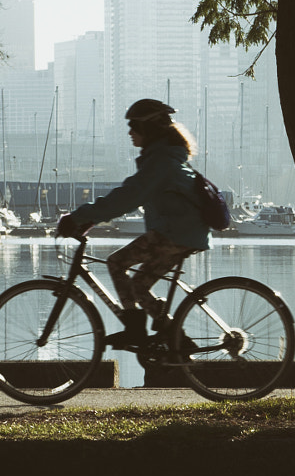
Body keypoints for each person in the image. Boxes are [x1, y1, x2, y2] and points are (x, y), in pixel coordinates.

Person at [56, 98, 211, 350]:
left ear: (149, 129)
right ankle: (176, 337)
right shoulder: (164, 158)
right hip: (184, 233)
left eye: (134, 126)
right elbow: (129, 197)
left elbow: (128, 197)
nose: (130, 132)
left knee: (116, 263)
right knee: (139, 285)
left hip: (175, 233)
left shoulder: (160, 162)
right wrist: (92, 219)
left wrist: (78, 217)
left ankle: (134, 329)